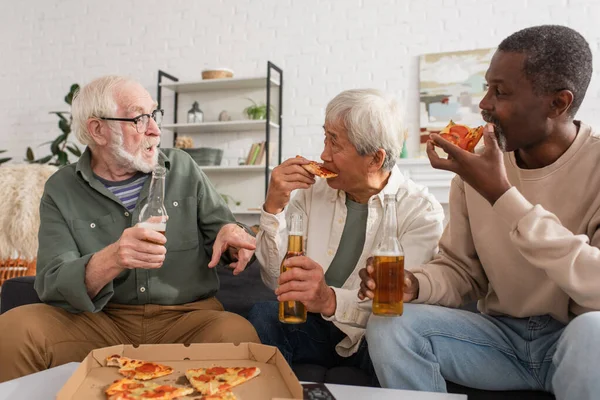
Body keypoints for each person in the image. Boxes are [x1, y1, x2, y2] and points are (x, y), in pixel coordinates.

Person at [359, 25, 600, 400]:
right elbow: (461, 271)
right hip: (500, 339)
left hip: (574, 340)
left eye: (500, 91)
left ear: (558, 104)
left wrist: (502, 195)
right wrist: (415, 284)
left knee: (595, 334)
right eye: (487, 87)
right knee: (390, 324)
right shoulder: (477, 167)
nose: (484, 103)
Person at [0, 75, 260, 382]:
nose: (155, 129)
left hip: (188, 319)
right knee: (14, 330)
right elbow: (52, 283)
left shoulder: (183, 168)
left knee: (236, 334)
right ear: (98, 130)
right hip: (98, 321)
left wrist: (234, 236)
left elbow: (226, 235)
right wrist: (112, 259)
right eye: (139, 119)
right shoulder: (61, 188)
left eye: (154, 115)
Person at [247, 89, 445, 382]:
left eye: (335, 143)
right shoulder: (311, 194)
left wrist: (329, 300)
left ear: (375, 160)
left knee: (390, 332)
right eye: (326, 138)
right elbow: (278, 282)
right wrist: (273, 206)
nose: (324, 154)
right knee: (264, 314)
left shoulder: (421, 212)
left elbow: (399, 307)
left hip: (372, 334)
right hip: (315, 326)